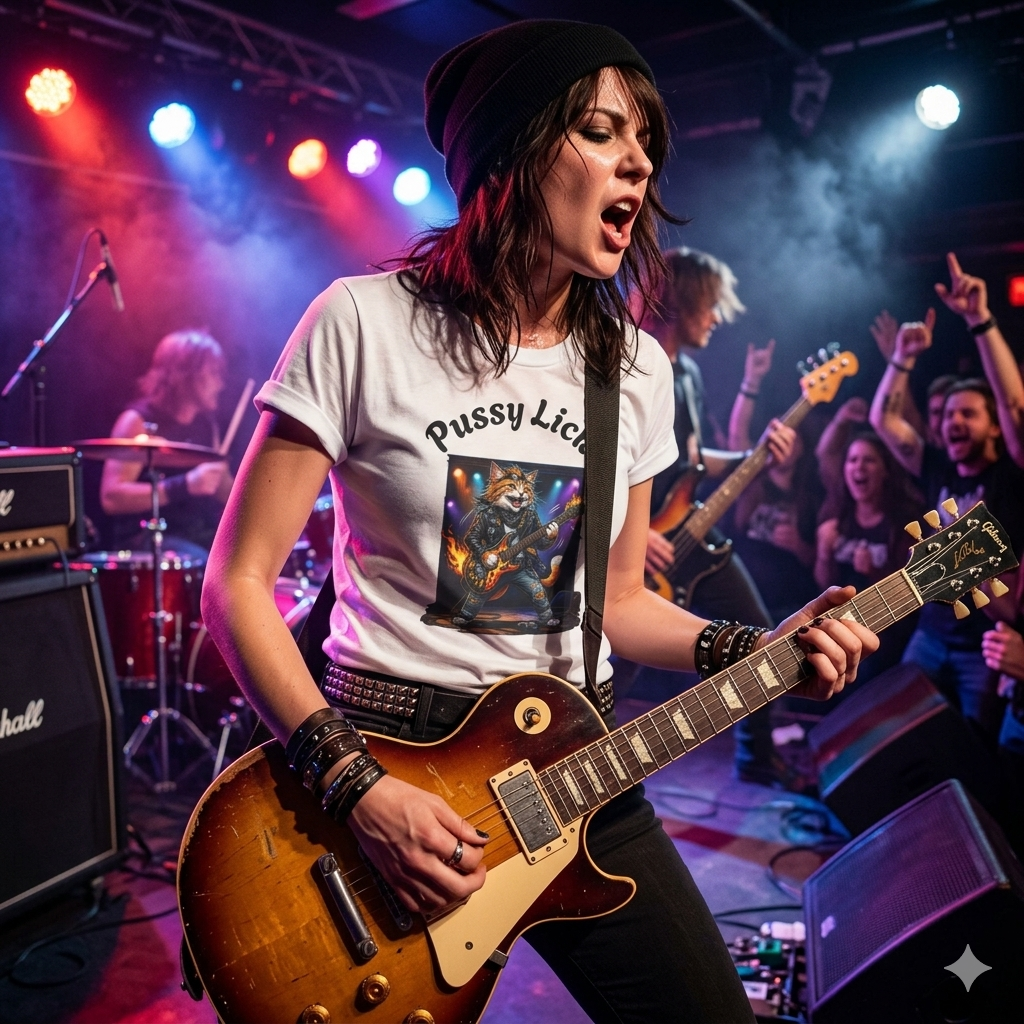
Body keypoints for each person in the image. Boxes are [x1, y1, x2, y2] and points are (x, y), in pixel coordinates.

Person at [200, 21, 876, 1023]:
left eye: (645, 139)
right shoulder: (361, 322)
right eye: (601, 130)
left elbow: (621, 602)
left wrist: (758, 647)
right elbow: (237, 584)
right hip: (386, 757)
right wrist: (357, 788)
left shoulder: (635, 370)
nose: (639, 161)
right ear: (511, 151)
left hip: (577, 765)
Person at [633, 248, 797, 784]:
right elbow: (591, 462)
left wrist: (755, 455)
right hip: (637, 548)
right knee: (611, 670)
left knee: (761, 637)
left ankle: (756, 755)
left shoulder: (688, 374)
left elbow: (692, 460)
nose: (717, 318)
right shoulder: (628, 364)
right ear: (680, 301)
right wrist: (629, 536)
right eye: (709, 305)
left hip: (688, 534)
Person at [869, 255, 1024, 738]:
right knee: (908, 734)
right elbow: (883, 421)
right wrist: (902, 358)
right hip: (933, 631)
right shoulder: (937, 464)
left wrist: (980, 319)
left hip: (986, 640)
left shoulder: (1011, 477)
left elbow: (1015, 405)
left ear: (995, 427)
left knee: (976, 744)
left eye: (968, 414)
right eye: (949, 414)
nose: (954, 421)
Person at [100, 329, 233, 555]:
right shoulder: (138, 421)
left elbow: (225, 492)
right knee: (204, 563)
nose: (220, 384)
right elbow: (112, 498)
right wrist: (185, 485)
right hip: (149, 544)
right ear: (184, 374)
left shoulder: (207, 425)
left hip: (199, 538)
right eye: (213, 372)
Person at [815, 432, 922, 685]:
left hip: (884, 628)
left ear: (886, 470)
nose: (859, 467)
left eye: (869, 460)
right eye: (852, 460)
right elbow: (823, 583)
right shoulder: (837, 512)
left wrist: (874, 571)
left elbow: (912, 595)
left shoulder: (904, 522)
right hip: (840, 620)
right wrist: (824, 554)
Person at [728, 340, 820, 625]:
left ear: (802, 447)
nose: (782, 442)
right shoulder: (753, 483)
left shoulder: (812, 498)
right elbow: (737, 438)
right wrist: (752, 380)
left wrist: (798, 545)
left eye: (791, 436)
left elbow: (821, 564)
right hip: (737, 602)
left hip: (785, 611)